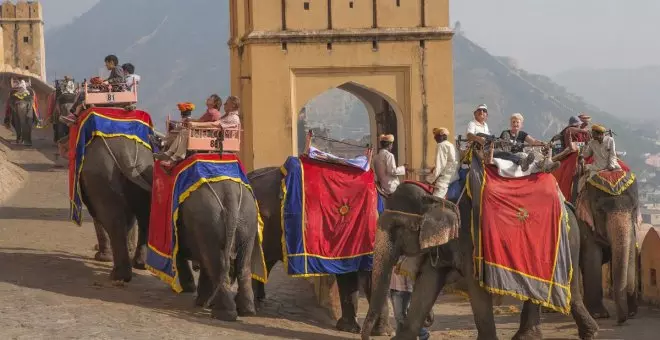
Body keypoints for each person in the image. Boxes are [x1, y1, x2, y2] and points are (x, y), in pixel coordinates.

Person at [156, 94, 237, 167]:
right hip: (211, 134)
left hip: (211, 136)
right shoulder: (224, 115)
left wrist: (194, 124)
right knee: (184, 131)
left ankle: (173, 154)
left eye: (227, 103)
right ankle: (171, 153)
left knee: (184, 132)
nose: (224, 104)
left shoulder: (215, 113)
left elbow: (213, 124)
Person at [60, 55, 127, 125]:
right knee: (83, 94)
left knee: (83, 94)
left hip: (113, 91)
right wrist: (103, 81)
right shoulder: (116, 69)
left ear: (111, 62)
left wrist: (108, 82)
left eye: (106, 63)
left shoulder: (117, 68)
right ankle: (74, 114)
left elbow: (120, 79)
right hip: (111, 89)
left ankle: (73, 114)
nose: (106, 65)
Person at [390, 259, 430, 340]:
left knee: (400, 315)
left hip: (404, 290)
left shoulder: (407, 257)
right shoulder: (393, 255)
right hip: (393, 289)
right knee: (398, 317)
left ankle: (422, 332)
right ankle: (401, 336)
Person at [426, 127, 458, 198]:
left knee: (435, 200)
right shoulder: (450, 145)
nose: (434, 138)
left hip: (444, 179)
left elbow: (440, 166)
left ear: (442, 135)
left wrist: (430, 179)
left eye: (436, 136)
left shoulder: (441, 145)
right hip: (452, 176)